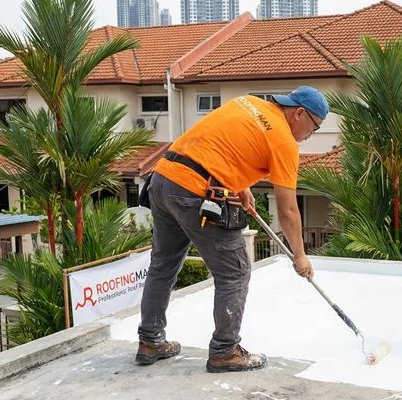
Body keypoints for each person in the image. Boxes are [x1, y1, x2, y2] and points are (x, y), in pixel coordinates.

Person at [135, 86, 328, 373]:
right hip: (194, 190)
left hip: (163, 179)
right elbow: (288, 210)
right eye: (313, 127)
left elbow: (225, 144)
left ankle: (150, 341)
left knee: (162, 265)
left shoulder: (250, 102)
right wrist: (300, 256)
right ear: (299, 113)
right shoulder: (284, 142)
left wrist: (241, 185)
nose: (308, 136)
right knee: (235, 272)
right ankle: (225, 351)